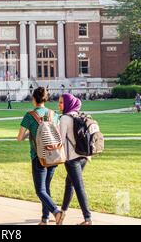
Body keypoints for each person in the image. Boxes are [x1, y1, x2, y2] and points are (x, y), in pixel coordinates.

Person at [17, 87, 64, 225]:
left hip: (39, 157)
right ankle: (45, 219)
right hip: (53, 155)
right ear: (45, 99)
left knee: (40, 190)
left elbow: (19, 137)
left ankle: (56, 212)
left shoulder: (30, 115)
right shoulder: (53, 114)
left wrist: (29, 133)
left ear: (34, 99)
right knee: (46, 188)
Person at [58, 93, 93, 225]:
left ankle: (88, 218)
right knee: (69, 183)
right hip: (84, 156)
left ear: (67, 104)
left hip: (72, 159)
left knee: (78, 187)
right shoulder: (79, 115)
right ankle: (63, 212)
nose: (59, 105)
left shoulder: (64, 119)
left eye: (61, 102)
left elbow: (60, 140)